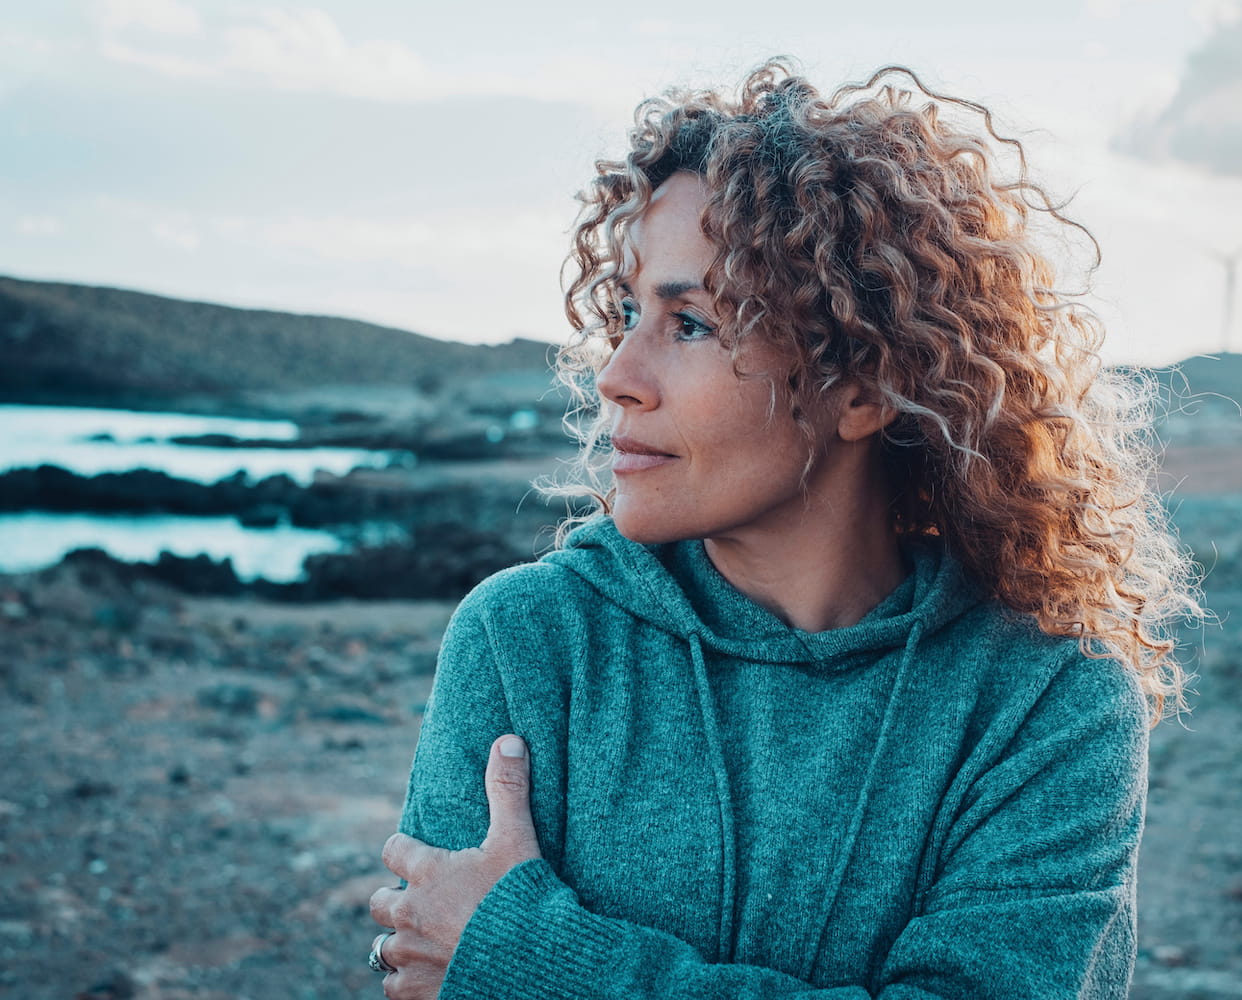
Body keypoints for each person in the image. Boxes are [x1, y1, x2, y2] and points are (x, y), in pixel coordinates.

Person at [367, 59, 1199, 1000]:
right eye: (627, 315)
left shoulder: (1045, 698)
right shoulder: (529, 643)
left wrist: (530, 959)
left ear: (860, 387)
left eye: (689, 324)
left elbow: (473, 960)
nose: (616, 376)